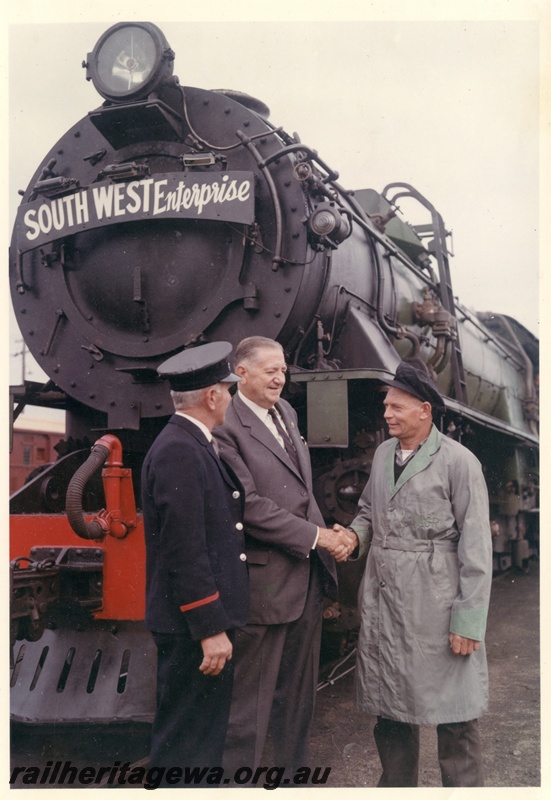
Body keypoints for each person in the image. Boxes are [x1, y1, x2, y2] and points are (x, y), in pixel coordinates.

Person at [339, 359, 493, 787]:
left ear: (425, 410)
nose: (387, 413)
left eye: (397, 407)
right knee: (391, 711)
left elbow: (477, 548)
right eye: (387, 405)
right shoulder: (384, 454)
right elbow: (369, 511)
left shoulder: (460, 462)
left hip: (438, 608)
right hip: (387, 602)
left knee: (455, 715)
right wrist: (354, 537)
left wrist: (468, 621)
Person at [213, 336, 351, 773]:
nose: (280, 377)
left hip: (306, 579)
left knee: (298, 703)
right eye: (271, 369)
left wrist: (330, 534)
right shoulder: (226, 426)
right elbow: (248, 505)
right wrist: (317, 537)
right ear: (242, 372)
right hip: (265, 587)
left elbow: (300, 492)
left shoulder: (286, 413)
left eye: (284, 370)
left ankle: (295, 782)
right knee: (247, 712)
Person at [142, 342, 249, 778]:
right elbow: (184, 550)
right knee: (186, 745)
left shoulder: (189, 443)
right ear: (211, 396)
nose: (230, 397)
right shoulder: (180, 450)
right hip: (194, 629)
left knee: (199, 742)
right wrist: (210, 628)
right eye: (228, 390)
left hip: (195, 624)